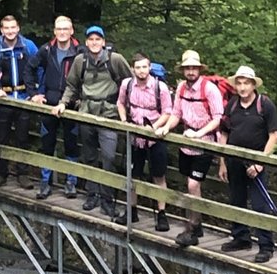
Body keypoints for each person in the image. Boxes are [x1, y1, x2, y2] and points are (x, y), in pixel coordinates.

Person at [56, 25, 131, 216]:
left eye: (98, 39)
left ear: (103, 42)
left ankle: (107, 198)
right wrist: (63, 103)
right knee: (89, 156)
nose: (94, 42)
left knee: (109, 156)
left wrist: (127, 109)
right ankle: (92, 193)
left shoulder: (115, 60)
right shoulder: (80, 61)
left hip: (108, 114)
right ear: (86, 42)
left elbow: (129, 83)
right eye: (91, 39)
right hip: (86, 113)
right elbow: (72, 85)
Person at [153, 50, 223, 247]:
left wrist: (199, 134)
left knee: (193, 184)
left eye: (194, 68)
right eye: (187, 68)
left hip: (205, 141)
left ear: (200, 69)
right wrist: (166, 127)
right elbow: (176, 113)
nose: (191, 71)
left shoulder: (209, 89)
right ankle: (195, 223)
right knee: (189, 183)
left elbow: (218, 118)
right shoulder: (182, 88)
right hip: (186, 143)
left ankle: (193, 225)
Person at [217, 65, 277, 264]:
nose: (242, 87)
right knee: (237, 199)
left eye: (246, 83)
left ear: (254, 85)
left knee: (260, 204)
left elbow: (274, 136)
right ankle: (241, 237)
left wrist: (260, 162)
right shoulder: (232, 105)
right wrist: (222, 162)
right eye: (239, 83)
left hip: (256, 163)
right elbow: (224, 133)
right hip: (234, 160)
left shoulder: (265, 105)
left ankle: (266, 245)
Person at [114, 53, 172, 231]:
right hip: (134, 136)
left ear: (149, 67)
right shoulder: (127, 84)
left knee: (159, 175)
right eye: (138, 67)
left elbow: (168, 112)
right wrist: (124, 121)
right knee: (132, 174)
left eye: (144, 67)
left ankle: (162, 214)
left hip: (155, 137)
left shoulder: (160, 87)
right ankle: (131, 210)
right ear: (133, 69)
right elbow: (120, 103)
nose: (141, 71)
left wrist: (154, 127)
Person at [26, 16, 80, 200]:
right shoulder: (46, 50)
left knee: (71, 144)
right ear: (55, 31)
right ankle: (45, 182)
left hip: (72, 104)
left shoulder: (79, 51)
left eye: (66, 29)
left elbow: (87, 75)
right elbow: (29, 69)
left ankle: (71, 182)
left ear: (71, 31)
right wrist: (33, 93)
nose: (62, 32)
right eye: (59, 29)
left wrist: (81, 97)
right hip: (49, 102)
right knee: (47, 143)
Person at [0, 15, 38, 187]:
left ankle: (23, 174)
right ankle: (1, 173)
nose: (10, 31)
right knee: (2, 137)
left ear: (18, 28)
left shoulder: (28, 46)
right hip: (4, 99)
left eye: (13, 27)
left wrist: (35, 92)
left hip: (24, 98)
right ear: (1, 30)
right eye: (6, 28)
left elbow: (40, 68)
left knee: (23, 138)